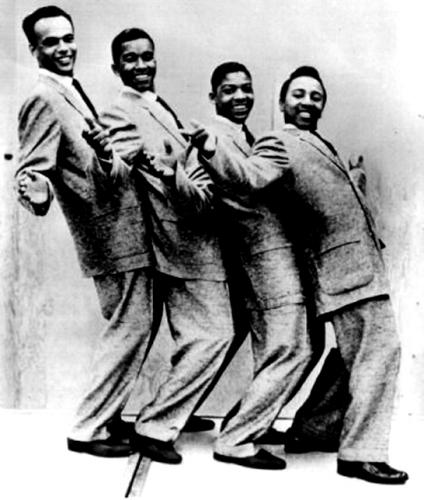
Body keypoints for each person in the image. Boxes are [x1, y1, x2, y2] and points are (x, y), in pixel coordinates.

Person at [188, 66, 408, 484]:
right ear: (282, 102)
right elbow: (248, 178)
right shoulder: (278, 142)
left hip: (355, 266)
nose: (308, 102)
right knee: (379, 350)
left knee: (355, 353)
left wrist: (355, 179)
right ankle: (361, 454)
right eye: (299, 95)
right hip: (343, 269)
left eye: (315, 96)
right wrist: (211, 148)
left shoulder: (316, 143)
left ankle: (314, 430)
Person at [16, 5, 156, 458]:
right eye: (51, 42)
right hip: (108, 236)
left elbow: (90, 161)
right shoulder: (43, 98)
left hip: (121, 231)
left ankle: (106, 415)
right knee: (130, 328)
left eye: (68, 38)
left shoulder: (68, 90)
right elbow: (32, 169)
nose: (64, 48)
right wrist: (35, 190)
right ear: (33, 49)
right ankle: (88, 427)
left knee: (130, 327)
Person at [100, 28, 234, 465]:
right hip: (178, 240)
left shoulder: (154, 105)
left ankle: (173, 411)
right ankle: (157, 424)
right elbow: (118, 173)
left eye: (147, 56)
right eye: (131, 59)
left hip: (192, 235)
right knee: (215, 334)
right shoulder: (120, 112)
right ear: (116, 67)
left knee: (199, 336)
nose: (141, 65)